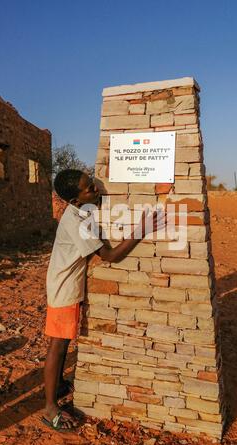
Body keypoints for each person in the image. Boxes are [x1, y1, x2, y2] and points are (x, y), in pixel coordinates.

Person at [42, 169, 164, 431]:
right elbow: (109, 256)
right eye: (89, 189)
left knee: (63, 343)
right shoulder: (76, 223)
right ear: (75, 200)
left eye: (93, 184)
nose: (96, 190)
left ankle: (60, 384)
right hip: (63, 290)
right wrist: (141, 229)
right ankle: (50, 408)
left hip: (66, 286)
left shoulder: (80, 212)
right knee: (58, 346)